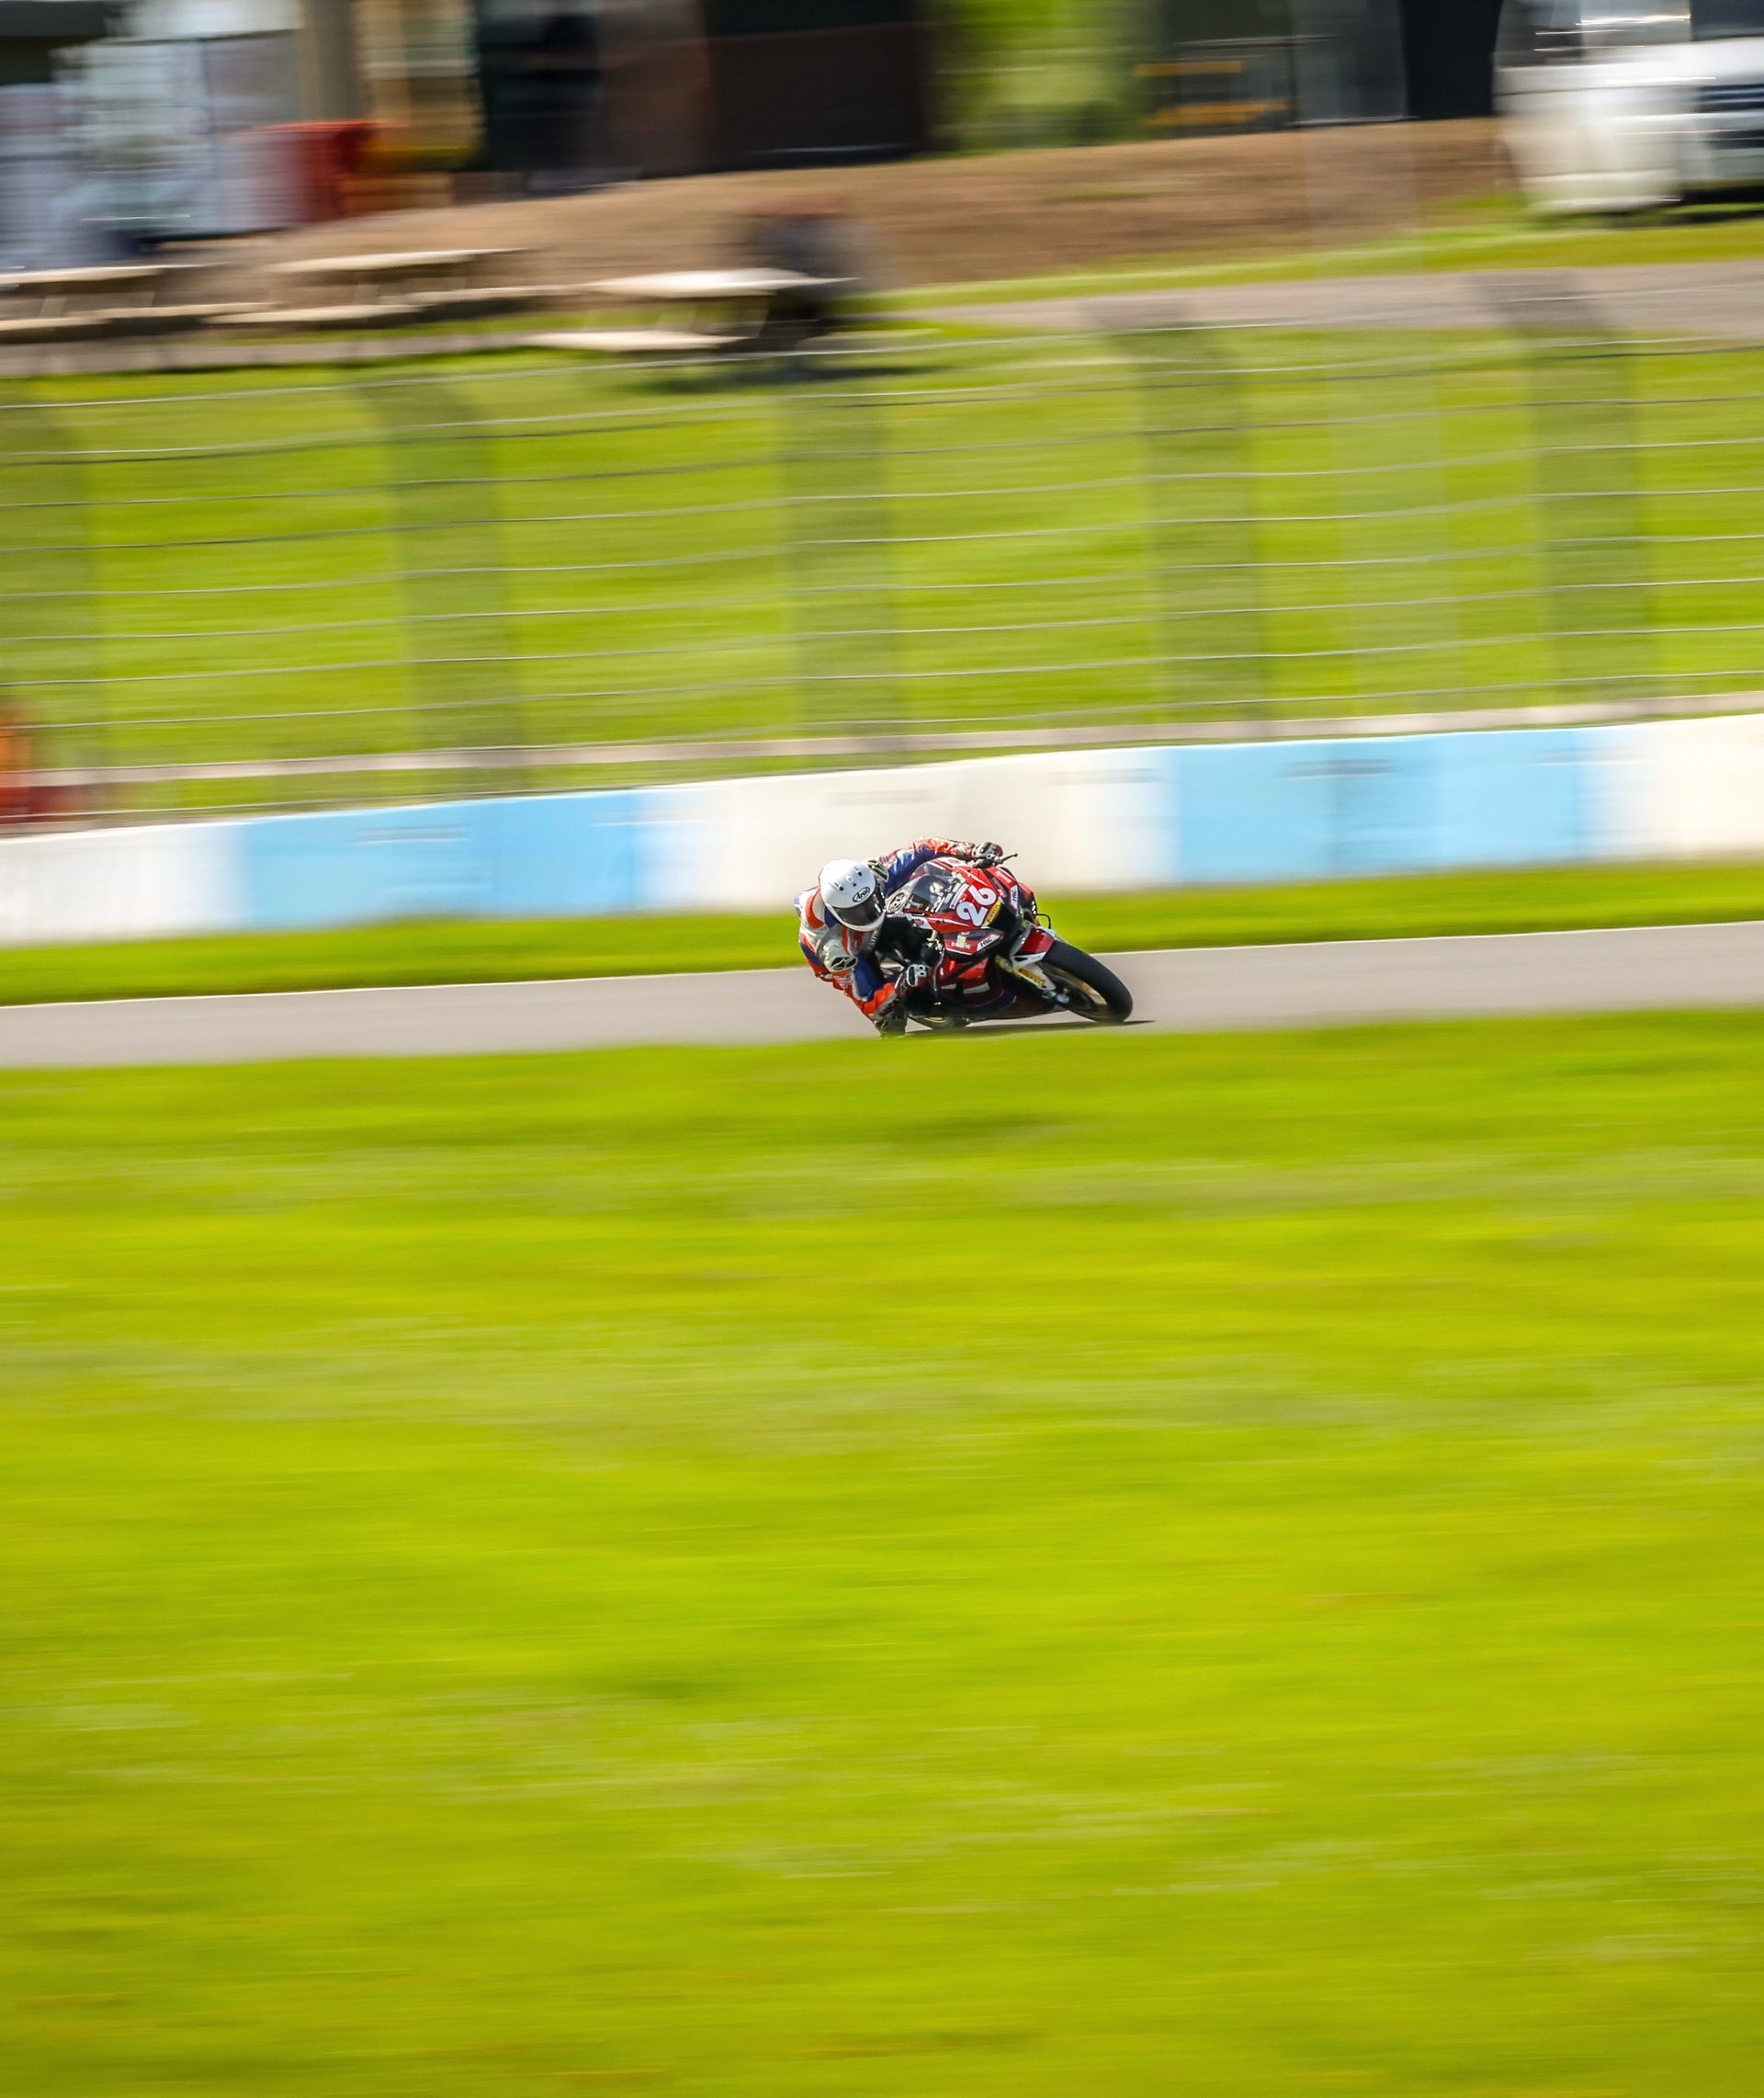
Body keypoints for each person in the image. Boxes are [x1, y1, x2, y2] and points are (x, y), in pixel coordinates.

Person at [797, 837, 1005, 1034]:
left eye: (869, 903)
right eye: (856, 912)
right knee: (886, 1016)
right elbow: (868, 1001)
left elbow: (922, 849)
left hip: (877, 916)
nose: (867, 913)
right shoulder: (834, 950)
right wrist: (905, 981)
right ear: (837, 912)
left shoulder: (874, 873)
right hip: (852, 951)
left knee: (918, 900)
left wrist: (970, 850)